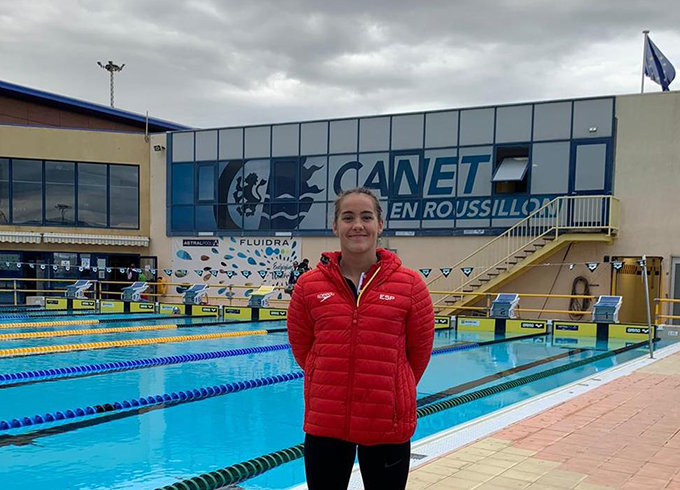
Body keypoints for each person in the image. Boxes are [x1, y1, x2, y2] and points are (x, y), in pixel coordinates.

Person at [287, 187, 435, 490]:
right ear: (335, 226)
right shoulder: (309, 286)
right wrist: (324, 376)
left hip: (387, 422)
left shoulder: (410, 285)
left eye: (366, 217)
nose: (357, 225)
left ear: (380, 225)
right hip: (326, 419)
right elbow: (302, 345)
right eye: (348, 217)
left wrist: (394, 385)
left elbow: (419, 352)